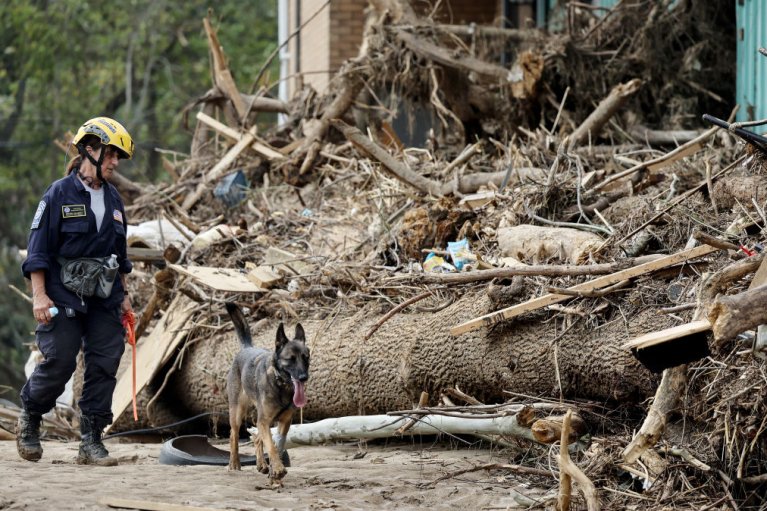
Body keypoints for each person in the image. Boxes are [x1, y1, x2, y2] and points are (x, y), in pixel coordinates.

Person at [17, 117, 135, 466]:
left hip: (104, 298)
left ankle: (91, 441)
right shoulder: (57, 194)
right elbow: (37, 251)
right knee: (61, 361)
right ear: (90, 149)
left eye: (118, 156)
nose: (115, 162)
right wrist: (40, 296)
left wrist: (124, 297)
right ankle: (31, 416)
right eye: (111, 154)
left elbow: (120, 257)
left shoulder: (114, 201)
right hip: (62, 296)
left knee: (104, 364)